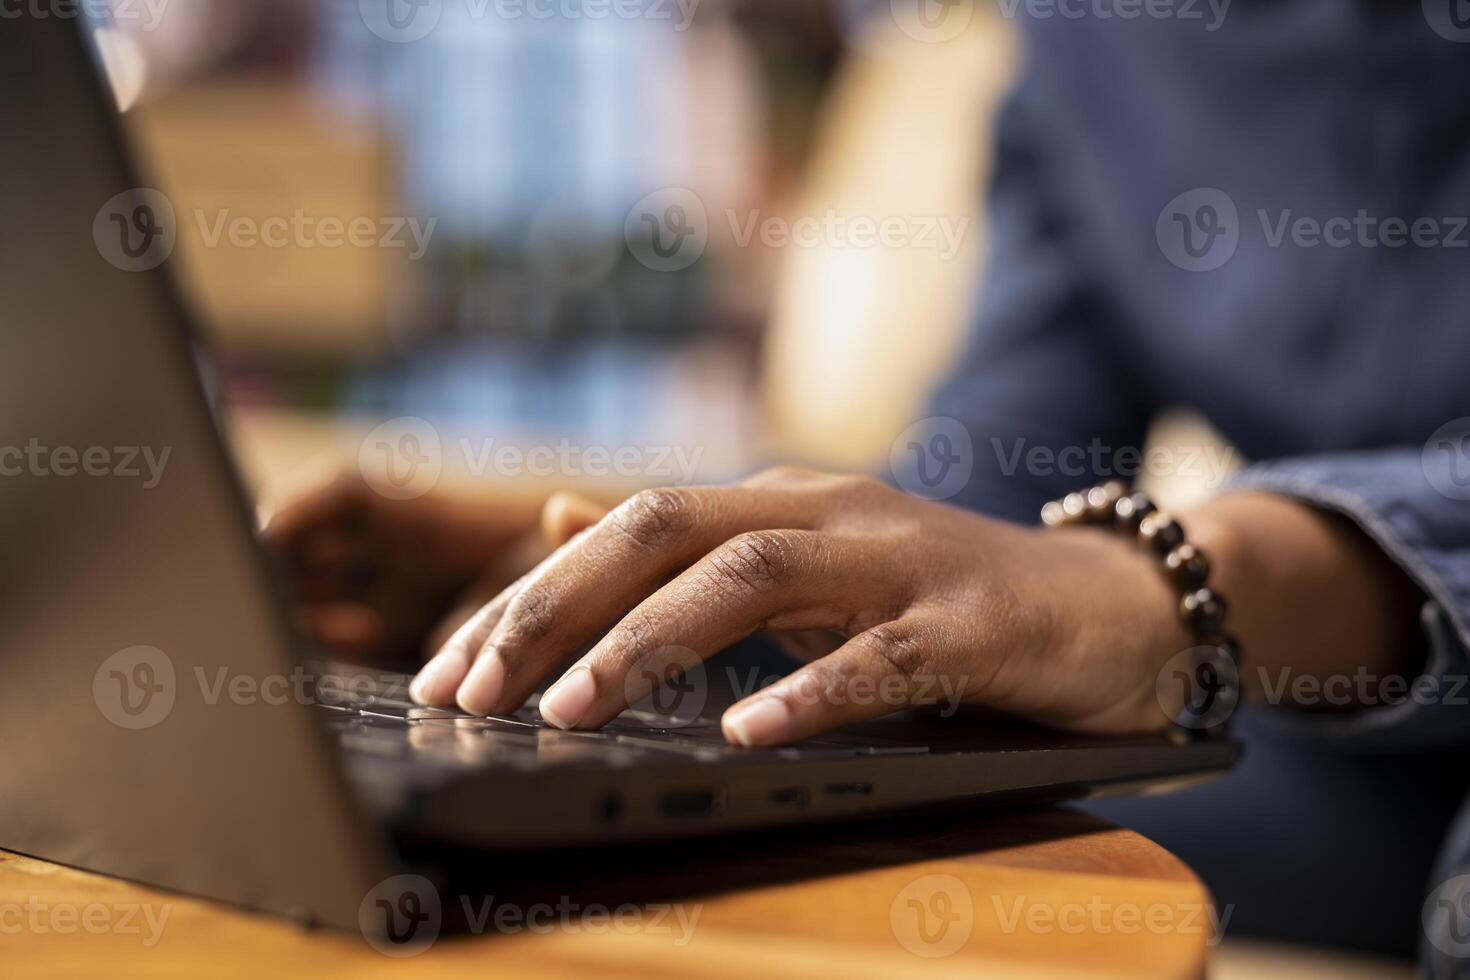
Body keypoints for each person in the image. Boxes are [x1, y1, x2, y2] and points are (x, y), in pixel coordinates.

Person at [266, 3, 1470, 971]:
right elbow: (982, 504)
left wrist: (1167, 582)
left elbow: (1074, 586)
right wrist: (616, 558)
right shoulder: (1092, 45)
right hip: (1325, 744)